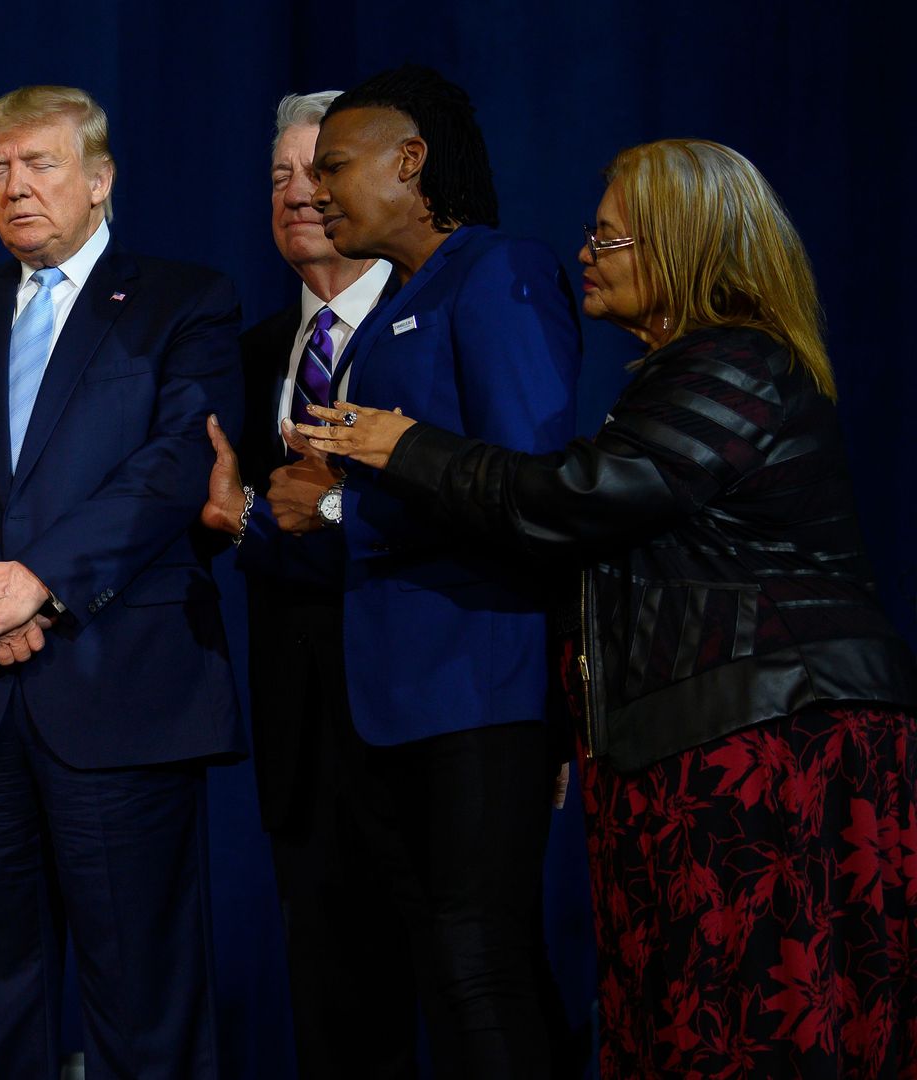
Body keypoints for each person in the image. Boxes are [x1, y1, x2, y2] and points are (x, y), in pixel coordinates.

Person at [302, 137, 917, 1079]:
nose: (585, 253)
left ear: (687, 246)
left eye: (611, 239)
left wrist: (410, 448)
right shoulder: (685, 375)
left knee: (752, 1023)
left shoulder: (737, 364)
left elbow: (579, 500)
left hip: (770, 746)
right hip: (693, 744)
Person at [0, 85, 242, 1078]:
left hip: (117, 684)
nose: (17, 187)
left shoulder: (185, 301)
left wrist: (38, 582)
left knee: (143, 995)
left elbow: (174, 467)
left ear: (100, 180)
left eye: (41, 165)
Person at [257, 65, 582, 1077]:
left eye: (337, 166)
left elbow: (531, 488)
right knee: (446, 972)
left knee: (478, 965)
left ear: (411, 162)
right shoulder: (402, 298)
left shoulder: (498, 274)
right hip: (393, 700)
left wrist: (343, 499)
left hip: (477, 684)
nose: (315, 191)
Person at [196, 89, 407, 1077]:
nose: (295, 194)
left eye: (317, 171)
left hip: (423, 726)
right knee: (330, 1016)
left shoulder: (433, 326)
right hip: (299, 734)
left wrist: (315, 511)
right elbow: (225, 518)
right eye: (277, 177)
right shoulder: (243, 358)